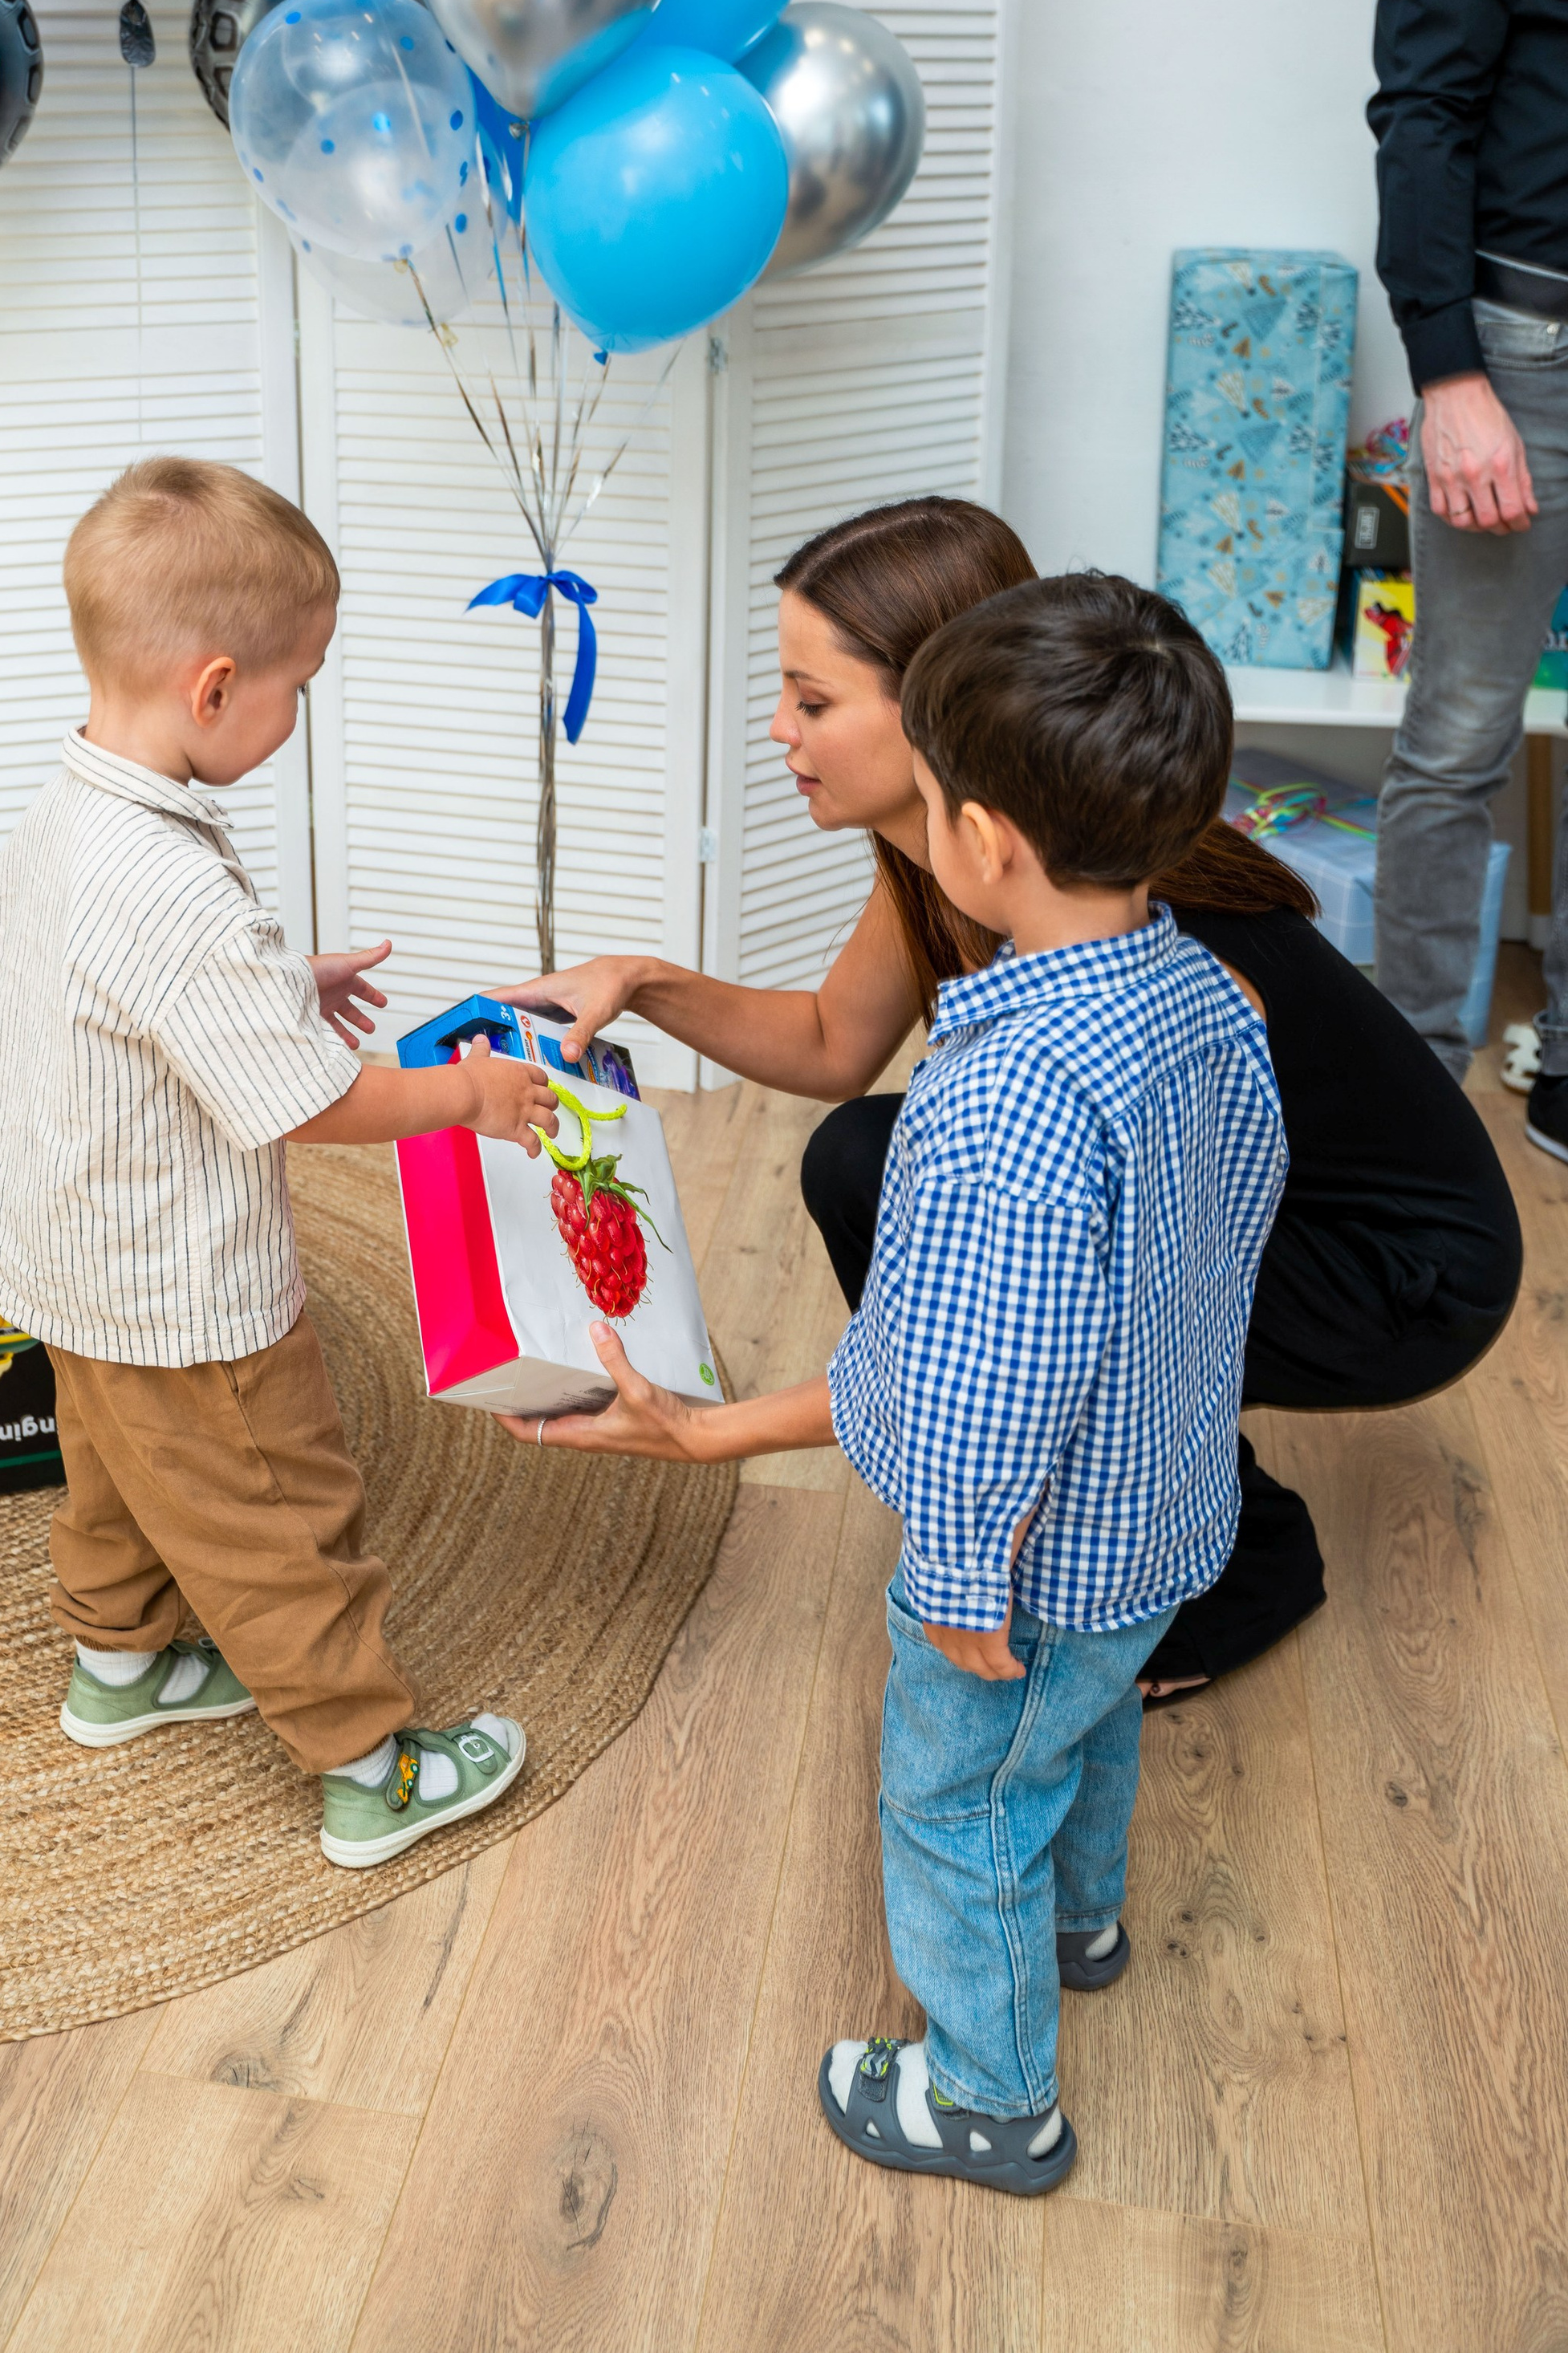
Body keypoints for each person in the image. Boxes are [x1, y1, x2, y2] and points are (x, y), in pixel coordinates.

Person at [503, 573, 1287, 2193]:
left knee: (954, 1794)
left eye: (923, 797)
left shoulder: (1000, 1100)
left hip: (1033, 1559)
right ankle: (1076, 1923)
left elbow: (966, 1398)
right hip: (1162, 1516)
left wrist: (947, 1567)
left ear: (983, 838)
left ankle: (990, 2093)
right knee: (1081, 1736)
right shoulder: (1216, 1000)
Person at [520, 496, 1522, 1697]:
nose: (780, 730)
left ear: (937, 705)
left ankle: (1230, 1562)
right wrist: (638, 982)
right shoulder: (974, 852)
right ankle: (1095, 1522)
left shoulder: (1148, 923)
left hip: (1404, 1269)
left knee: (1039, 1266)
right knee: (863, 1156)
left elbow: (1028, 1322)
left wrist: (717, 1434)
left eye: (814, 699)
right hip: (1260, 1206)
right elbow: (839, 1040)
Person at [0, 456, 550, 1868]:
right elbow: (304, 1104)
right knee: (274, 1509)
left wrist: (277, 976)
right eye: (302, 685)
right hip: (181, 1288)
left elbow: (133, 993)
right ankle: (366, 1763)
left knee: (112, 1465)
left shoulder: (65, 809)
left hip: (66, 1253)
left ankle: (119, 1669)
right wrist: (461, 1091)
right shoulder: (171, 886)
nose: (302, 713)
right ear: (216, 686)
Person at [1367, 0, 1568, 1132]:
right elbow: (1424, 106)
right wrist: (1450, 376)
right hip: (1521, 349)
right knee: (1459, 738)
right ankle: (1412, 1087)